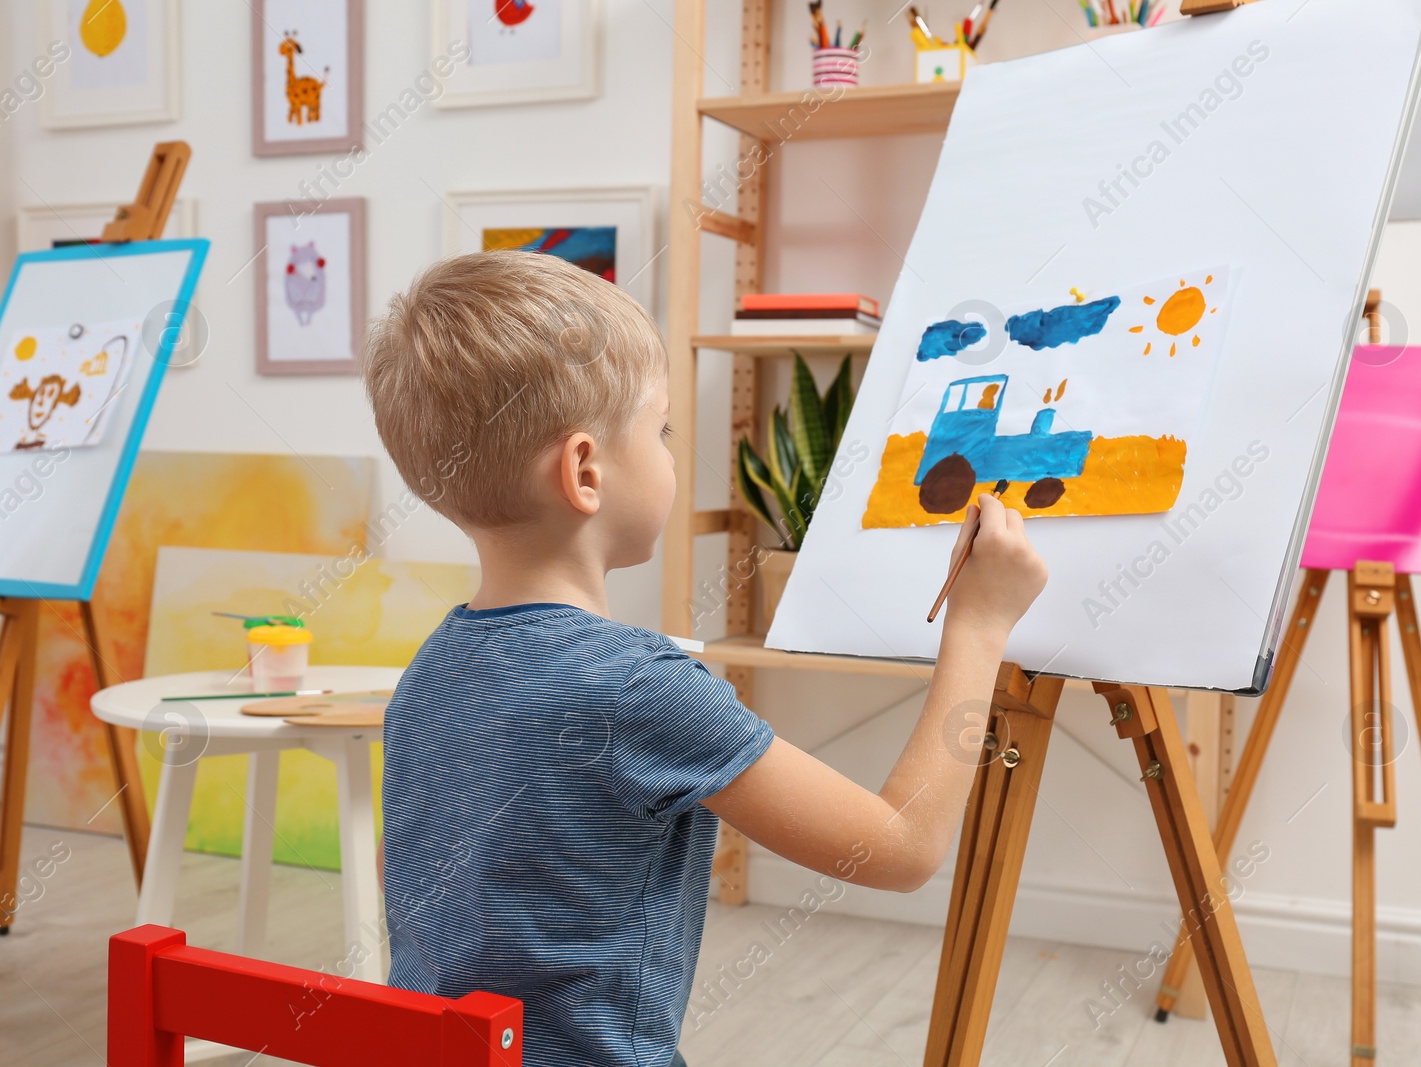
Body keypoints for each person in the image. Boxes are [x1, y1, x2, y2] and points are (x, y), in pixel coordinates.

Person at [363, 250, 1050, 1066]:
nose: (671, 451)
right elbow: (899, 848)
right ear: (585, 471)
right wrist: (977, 627)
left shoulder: (429, 669)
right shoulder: (639, 688)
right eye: (659, 429)